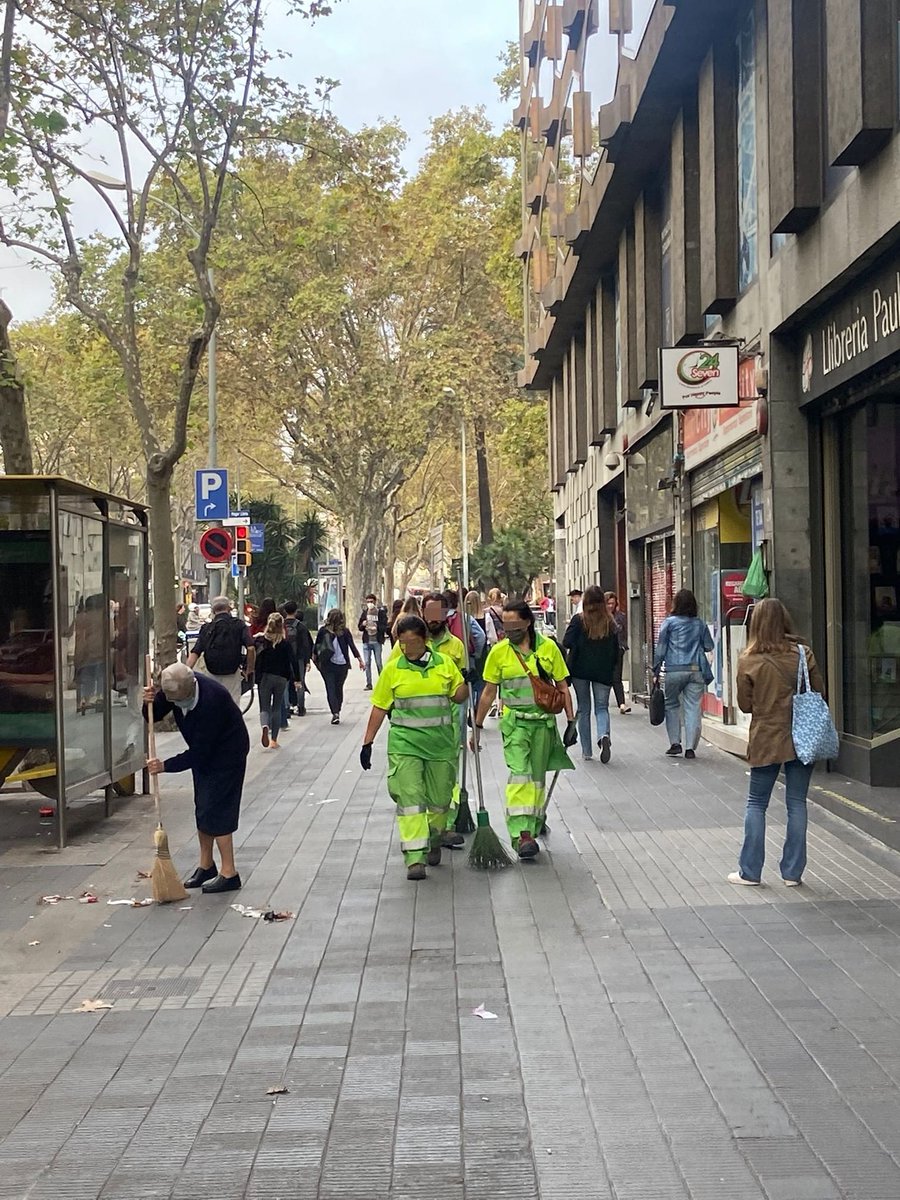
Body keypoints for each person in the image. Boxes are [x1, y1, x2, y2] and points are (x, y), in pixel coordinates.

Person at [360, 615, 468, 881]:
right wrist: (367, 742)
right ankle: (415, 857)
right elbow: (380, 706)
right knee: (411, 799)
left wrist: (465, 683)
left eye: (413, 643)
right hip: (405, 745)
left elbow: (458, 695)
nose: (408, 649)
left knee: (440, 799)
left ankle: (434, 837)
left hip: (440, 745)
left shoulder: (444, 664)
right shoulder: (393, 670)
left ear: (425, 640)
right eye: (403, 644)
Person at [728, 598, 825, 887]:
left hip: (766, 737)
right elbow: (818, 690)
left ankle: (750, 872)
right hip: (801, 736)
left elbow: (745, 706)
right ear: (785, 620)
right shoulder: (802, 653)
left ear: (756, 623)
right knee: (797, 802)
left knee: (757, 803)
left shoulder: (748, 659)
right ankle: (793, 873)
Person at [473, 601, 576, 860]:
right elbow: (488, 692)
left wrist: (571, 721)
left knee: (537, 778)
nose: (510, 631)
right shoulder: (498, 653)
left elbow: (562, 687)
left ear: (527, 623)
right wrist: (477, 725)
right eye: (506, 626)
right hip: (515, 724)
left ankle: (533, 822)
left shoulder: (549, 649)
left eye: (515, 626)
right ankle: (522, 835)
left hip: (542, 724)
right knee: (521, 776)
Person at [143, 662, 249, 893]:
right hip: (206, 752)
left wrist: (165, 766)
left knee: (218, 808)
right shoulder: (173, 689)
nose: (178, 704)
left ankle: (229, 873)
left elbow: (201, 753)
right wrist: (148, 701)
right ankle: (206, 865)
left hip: (227, 752)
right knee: (203, 806)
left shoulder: (212, 699)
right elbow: (152, 715)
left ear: (192, 687)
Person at [652, 589, 714, 759]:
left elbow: (661, 649)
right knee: (693, 707)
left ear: (675, 604)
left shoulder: (669, 623)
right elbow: (709, 646)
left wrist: (656, 669)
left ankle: (675, 743)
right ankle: (690, 748)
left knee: (671, 705)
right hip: (695, 670)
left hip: (674, 670)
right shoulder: (699, 624)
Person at [563, 585, 619, 763]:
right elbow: (615, 650)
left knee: (584, 709)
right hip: (602, 671)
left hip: (580, 670)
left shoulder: (579, 620)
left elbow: (567, 642)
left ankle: (587, 751)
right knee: (602, 707)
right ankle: (603, 735)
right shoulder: (610, 623)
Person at [188, 596, 255, 705]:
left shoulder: (207, 628)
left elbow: (195, 652)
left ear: (213, 610)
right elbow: (251, 648)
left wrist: (186, 671)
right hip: (232, 672)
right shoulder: (238, 625)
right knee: (232, 704)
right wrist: (250, 669)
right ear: (229, 609)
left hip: (212, 673)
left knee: (214, 704)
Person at [255, 611, 296, 749]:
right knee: (277, 707)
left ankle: (265, 725)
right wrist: (297, 679)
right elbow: (293, 661)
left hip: (265, 677)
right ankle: (274, 740)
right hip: (281, 678)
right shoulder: (285, 644)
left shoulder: (261, 641)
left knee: (264, 707)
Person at [315, 609, 363, 724]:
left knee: (330, 688)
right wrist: (359, 659)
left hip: (327, 664)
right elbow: (352, 646)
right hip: (342, 665)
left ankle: (335, 712)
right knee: (338, 688)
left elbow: (316, 646)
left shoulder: (323, 631)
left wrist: (315, 660)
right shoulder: (344, 632)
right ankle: (337, 709)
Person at [282, 600, 314, 716]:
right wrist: (307, 660)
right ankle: (301, 707)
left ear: (285, 611)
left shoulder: (281, 625)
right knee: (299, 681)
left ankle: (286, 707)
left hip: (284, 658)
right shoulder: (301, 626)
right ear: (296, 611)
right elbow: (306, 645)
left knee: (285, 683)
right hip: (299, 658)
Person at [605, 591, 631, 713]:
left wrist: (623, 647)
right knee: (605, 678)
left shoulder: (620, 616)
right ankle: (602, 702)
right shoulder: (601, 617)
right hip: (603, 651)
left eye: (612, 603)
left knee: (616, 677)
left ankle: (621, 704)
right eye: (608, 603)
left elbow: (623, 633)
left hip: (617, 650)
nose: (610, 606)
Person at [358, 592, 389, 690]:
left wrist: (377, 626)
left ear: (375, 602)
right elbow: (359, 627)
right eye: (368, 602)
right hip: (367, 641)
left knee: (379, 662)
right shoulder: (365, 612)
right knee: (367, 663)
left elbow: (385, 626)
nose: (369, 603)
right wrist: (363, 624)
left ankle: (382, 683)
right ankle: (369, 683)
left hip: (377, 641)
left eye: (371, 601)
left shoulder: (380, 613)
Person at [464, 590, 489, 711]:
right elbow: (488, 636)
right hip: (483, 654)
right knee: (481, 683)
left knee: (470, 681)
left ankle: (470, 707)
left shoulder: (465, 618)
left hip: (470, 653)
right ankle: (477, 708)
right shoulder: (486, 617)